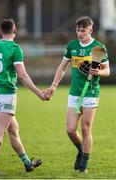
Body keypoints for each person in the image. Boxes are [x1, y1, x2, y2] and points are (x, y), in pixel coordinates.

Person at [0, 18, 49, 175]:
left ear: (0, 31)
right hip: (8, 95)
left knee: (14, 130)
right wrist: (40, 94)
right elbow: (22, 76)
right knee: (0, 132)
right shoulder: (15, 49)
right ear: (15, 30)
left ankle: (27, 164)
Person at [46, 16, 110, 173]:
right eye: (78, 30)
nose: (80, 33)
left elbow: (107, 70)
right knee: (70, 129)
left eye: (83, 30)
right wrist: (54, 85)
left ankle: (84, 164)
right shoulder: (72, 46)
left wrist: (99, 71)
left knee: (86, 128)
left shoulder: (98, 48)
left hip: (91, 92)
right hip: (74, 93)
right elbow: (62, 67)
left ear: (90, 30)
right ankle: (81, 150)